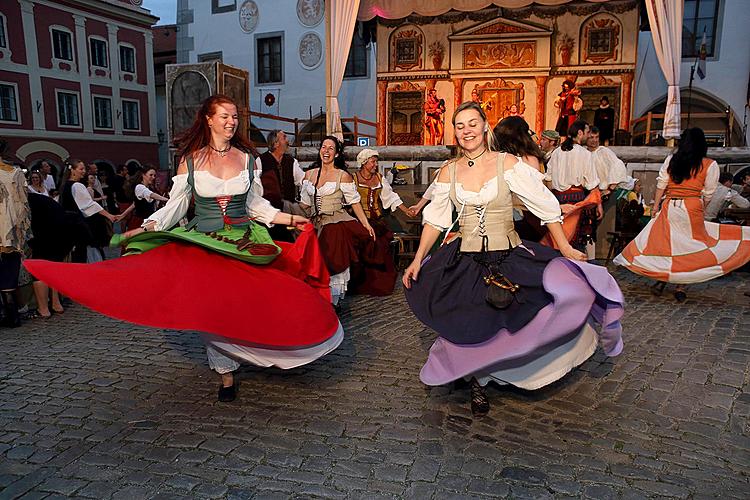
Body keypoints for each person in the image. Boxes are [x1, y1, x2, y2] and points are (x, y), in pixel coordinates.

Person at [26, 94, 344, 403]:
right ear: (209, 120)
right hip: (206, 241)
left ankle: (275, 344)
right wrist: (146, 226)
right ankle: (226, 372)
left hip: (243, 239)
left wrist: (289, 218)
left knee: (261, 297)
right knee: (213, 308)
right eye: (225, 116)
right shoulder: (190, 162)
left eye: (235, 116)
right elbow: (175, 208)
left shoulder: (248, 160)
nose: (232, 122)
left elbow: (254, 204)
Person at [401, 101, 624, 416]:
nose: (467, 131)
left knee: (522, 314)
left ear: (485, 126)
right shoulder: (448, 171)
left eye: (472, 123)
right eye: (460, 125)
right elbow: (435, 220)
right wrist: (417, 259)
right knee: (469, 323)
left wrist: (565, 248)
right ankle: (476, 381)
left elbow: (545, 207)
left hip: (506, 254)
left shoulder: (508, 164)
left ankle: (506, 370)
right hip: (465, 257)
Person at [614, 128, 750, 302]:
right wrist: (700, 206)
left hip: (670, 205)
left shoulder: (672, 160)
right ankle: (681, 285)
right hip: (692, 206)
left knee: (668, 244)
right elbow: (708, 193)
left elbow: (661, 185)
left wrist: (655, 207)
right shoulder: (709, 164)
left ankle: (663, 277)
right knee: (690, 246)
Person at [299, 136, 375, 306]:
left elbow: (354, 203)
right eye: (323, 147)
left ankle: (332, 302)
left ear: (337, 153)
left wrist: (365, 224)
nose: (326, 151)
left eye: (330, 148)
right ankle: (316, 298)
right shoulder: (309, 174)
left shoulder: (343, 176)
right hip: (315, 223)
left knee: (332, 258)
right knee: (311, 261)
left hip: (335, 222)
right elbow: (304, 204)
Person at [349, 149, 412, 296]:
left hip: (376, 220)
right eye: (373, 162)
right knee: (365, 241)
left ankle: (379, 283)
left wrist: (406, 210)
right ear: (364, 163)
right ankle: (360, 283)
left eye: (376, 161)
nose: (375, 165)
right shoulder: (353, 179)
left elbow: (390, 197)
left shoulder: (379, 178)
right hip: (359, 219)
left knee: (380, 242)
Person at [545, 120, 603, 257]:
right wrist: (599, 204)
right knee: (576, 240)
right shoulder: (584, 154)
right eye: (587, 132)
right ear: (580, 133)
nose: (588, 136)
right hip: (577, 198)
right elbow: (592, 183)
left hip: (558, 198)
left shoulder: (557, 152)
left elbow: (548, 179)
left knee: (559, 237)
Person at [493, 116, 548, 241]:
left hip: (511, 218)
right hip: (523, 217)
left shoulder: (496, 158)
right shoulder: (529, 158)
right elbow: (536, 193)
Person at [59, 159, 119, 263]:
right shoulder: (77, 186)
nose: (83, 171)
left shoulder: (65, 186)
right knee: (82, 253)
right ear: (72, 170)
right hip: (77, 225)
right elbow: (88, 205)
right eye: (81, 169)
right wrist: (109, 215)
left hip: (68, 224)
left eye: (84, 169)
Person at [0, 141, 32, 327]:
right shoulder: (16, 173)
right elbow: (24, 207)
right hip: (10, 231)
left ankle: (9, 314)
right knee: (9, 274)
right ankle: (12, 315)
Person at [254, 130, 305, 241]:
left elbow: (303, 181)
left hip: (287, 212)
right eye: (284, 138)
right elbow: (255, 188)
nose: (288, 141)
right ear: (276, 143)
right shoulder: (260, 161)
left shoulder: (292, 161)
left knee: (289, 243)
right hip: (268, 214)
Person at [587, 126, 629, 258]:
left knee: (603, 226)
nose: (594, 141)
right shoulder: (583, 153)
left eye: (596, 137)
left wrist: (610, 188)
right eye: (591, 137)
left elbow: (617, 166)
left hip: (604, 192)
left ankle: (602, 255)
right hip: (589, 192)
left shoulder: (604, 152)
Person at [125, 165, 169, 230]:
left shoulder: (149, 187)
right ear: (143, 175)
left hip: (147, 221)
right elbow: (151, 195)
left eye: (154, 175)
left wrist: (122, 215)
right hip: (139, 222)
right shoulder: (139, 187)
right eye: (150, 175)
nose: (153, 177)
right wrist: (166, 199)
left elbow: (135, 204)